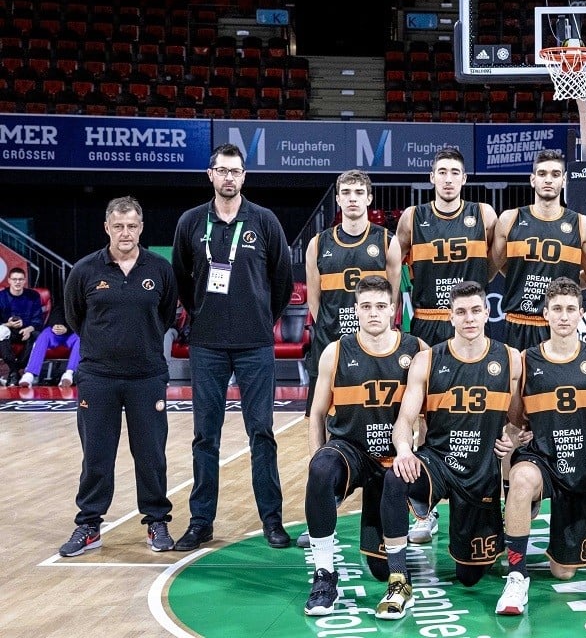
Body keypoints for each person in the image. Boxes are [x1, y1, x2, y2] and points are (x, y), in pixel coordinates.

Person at [171, 143, 294, 551]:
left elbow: (281, 280)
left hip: (255, 344)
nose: (228, 177)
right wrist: (201, 314)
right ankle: (200, 522)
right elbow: (182, 279)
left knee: (262, 433)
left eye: (235, 171)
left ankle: (272, 521)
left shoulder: (264, 220)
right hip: (207, 345)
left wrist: (261, 318)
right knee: (205, 436)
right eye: (222, 171)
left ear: (244, 176)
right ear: (210, 175)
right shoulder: (190, 222)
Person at [374, 280, 521, 620]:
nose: (469, 318)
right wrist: (404, 450)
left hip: (481, 471)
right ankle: (398, 581)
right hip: (437, 462)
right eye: (461, 312)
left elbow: (518, 419)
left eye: (475, 311)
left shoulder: (510, 359)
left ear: (487, 312)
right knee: (395, 478)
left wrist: (511, 437)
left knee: (470, 577)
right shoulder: (427, 360)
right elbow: (404, 420)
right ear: (450, 317)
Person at [59, 196, 179, 556]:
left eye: (131, 226)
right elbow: (75, 317)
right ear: (107, 228)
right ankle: (89, 525)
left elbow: (166, 316)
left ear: (141, 228)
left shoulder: (160, 269)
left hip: (147, 376)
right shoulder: (84, 270)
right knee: (96, 455)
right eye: (118, 226)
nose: (125, 233)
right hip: (98, 377)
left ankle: (156, 521)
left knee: (151, 455)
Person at [303, 276, 426, 616]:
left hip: (394, 459)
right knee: (321, 470)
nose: (373, 313)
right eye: (366, 306)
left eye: (380, 306)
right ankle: (324, 574)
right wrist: (318, 467)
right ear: (356, 310)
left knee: (381, 569)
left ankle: (399, 573)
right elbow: (316, 414)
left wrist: (422, 455)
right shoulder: (336, 352)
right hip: (351, 451)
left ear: (393, 310)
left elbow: (429, 414)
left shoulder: (416, 349)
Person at [496, 277, 586, 615]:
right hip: (541, 457)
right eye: (556, 309)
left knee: (564, 571)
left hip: (580, 465)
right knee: (521, 480)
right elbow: (515, 415)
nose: (563, 316)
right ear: (545, 314)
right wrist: (521, 433)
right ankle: (517, 575)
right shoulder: (527, 359)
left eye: (570, 309)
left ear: (581, 314)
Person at [305, 169, 402, 417]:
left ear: (369, 198)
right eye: (346, 192)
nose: (352, 198)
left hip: (373, 342)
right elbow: (314, 300)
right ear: (338, 198)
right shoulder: (318, 244)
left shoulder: (387, 241)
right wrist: (329, 326)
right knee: (323, 414)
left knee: (374, 412)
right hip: (331, 340)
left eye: (359, 192)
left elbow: (393, 297)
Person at [492, 149, 586, 351]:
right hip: (518, 323)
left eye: (555, 174)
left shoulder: (581, 224)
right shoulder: (510, 219)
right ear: (532, 179)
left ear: (564, 180)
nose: (548, 180)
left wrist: (564, 286)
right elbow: (491, 269)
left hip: (559, 325)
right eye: (542, 174)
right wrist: (520, 276)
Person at [393, 148, 496, 348]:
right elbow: (394, 269)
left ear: (464, 178)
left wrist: (482, 277)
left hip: (471, 320)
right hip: (427, 319)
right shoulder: (412, 217)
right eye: (442, 172)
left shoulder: (484, 214)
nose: (448, 179)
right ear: (432, 177)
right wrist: (392, 318)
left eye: (455, 172)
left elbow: (496, 263)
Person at [17, 301, 81, 388]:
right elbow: (57, 311)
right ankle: (29, 374)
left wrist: (67, 328)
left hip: (74, 332)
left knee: (81, 339)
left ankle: (69, 374)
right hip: (57, 332)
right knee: (44, 335)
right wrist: (56, 325)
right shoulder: (64, 300)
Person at [0, 266, 46, 383]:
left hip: (27, 330)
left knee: (37, 335)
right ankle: (15, 371)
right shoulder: (1, 296)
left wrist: (29, 328)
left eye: (20, 279)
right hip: (8, 330)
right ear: (9, 280)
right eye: (14, 279)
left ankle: (14, 371)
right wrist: (8, 324)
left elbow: (38, 319)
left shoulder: (33, 295)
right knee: (1, 333)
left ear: (24, 280)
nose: (17, 282)